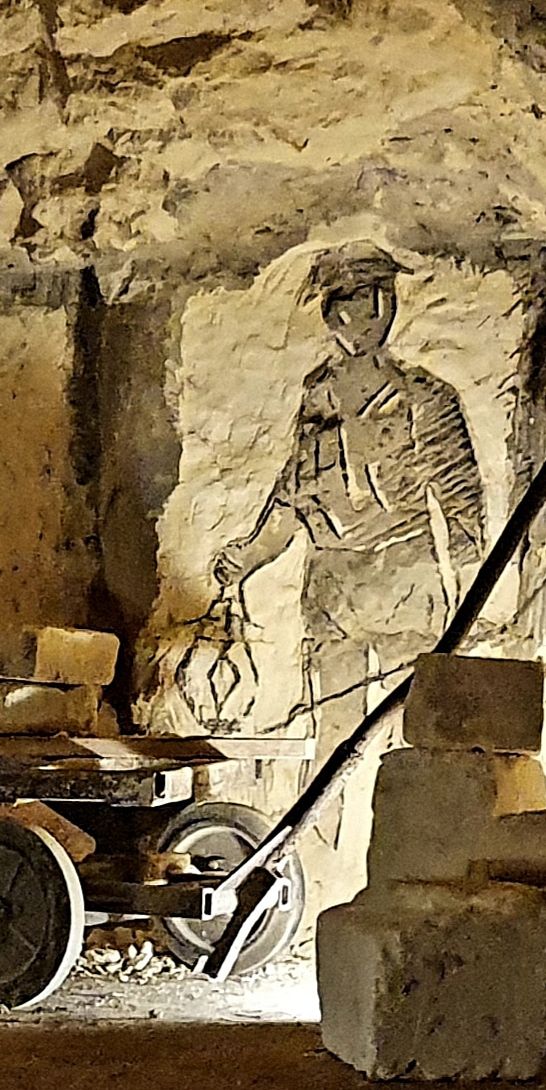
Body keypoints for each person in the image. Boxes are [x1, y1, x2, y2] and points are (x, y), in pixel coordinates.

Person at [200, 243, 486, 728]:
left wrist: (473, 597)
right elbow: (294, 493)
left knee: (411, 729)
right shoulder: (318, 395)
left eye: (370, 296)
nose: (357, 314)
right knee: (332, 730)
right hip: (332, 580)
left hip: (404, 574)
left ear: (386, 304)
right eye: (343, 299)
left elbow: (463, 506)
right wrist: (249, 556)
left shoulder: (425, 396)